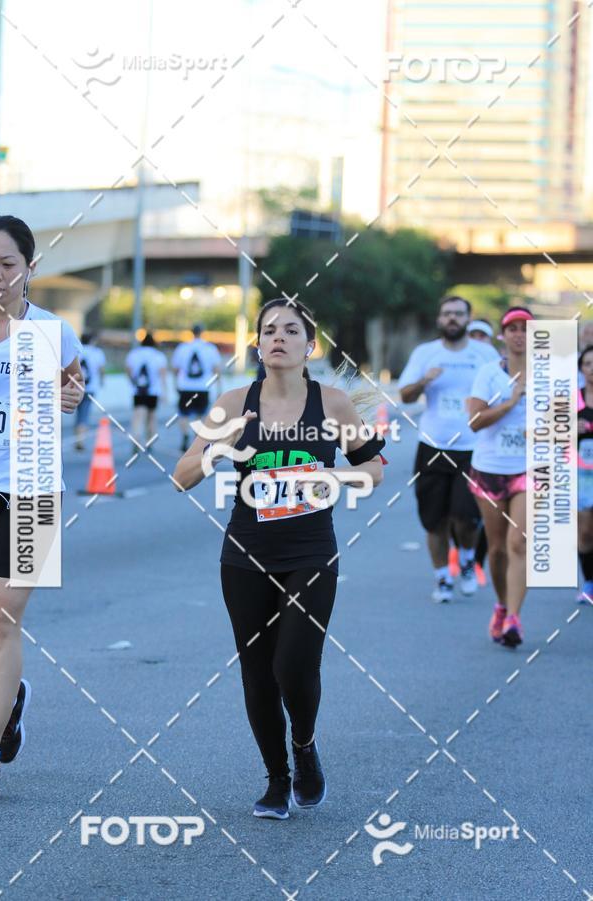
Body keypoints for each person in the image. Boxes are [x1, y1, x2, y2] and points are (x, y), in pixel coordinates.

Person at [173, 298, 385, 819]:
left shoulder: (332, 403)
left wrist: (332, 477)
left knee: (294, 665)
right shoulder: (232, 402)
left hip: (311, 552)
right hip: (245, 554)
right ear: (258, 344)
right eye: (269, 330)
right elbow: (181, 476)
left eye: (291, 331)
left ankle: (305, 748)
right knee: (257, 672)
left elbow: (374, 470)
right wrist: (220, 448)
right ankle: (276, 779)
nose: (279, 338)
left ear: (309, 345)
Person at [0, 215, 83, 792]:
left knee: (2, 617)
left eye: (6, 265)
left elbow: (73, 392)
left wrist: (70, 397)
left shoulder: (53, 333)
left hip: (33, 485)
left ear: (30, 269)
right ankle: (9, 701)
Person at [398, 295, 498, 603]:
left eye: (458, 314)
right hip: (433, 446)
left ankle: (467, 558)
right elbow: (405, 396)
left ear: (468, 319)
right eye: (447, 314)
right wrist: (424, 382)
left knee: (465, 518)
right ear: (440, 319)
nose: (452, 318)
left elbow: (502, 390)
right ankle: (442, 578)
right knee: (434, 520)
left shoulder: (484, 354)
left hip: (472, 448)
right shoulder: (425, 353)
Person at [467, 306, 532, 647]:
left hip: (530, 469)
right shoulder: (488, 373)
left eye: (525, 328)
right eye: (513, 329)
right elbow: (474, 422)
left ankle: (514, 621)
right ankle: (503, 604)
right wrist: (510, 404)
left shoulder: (550, 374)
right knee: (496, 550)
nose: (519, 334)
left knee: (518, 543)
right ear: (503, 336)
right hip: (490, 468)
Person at [172, 324, 222, 452]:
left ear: (191, 332)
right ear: (202, 332)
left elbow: (175, 369)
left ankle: (185, 435)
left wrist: (175, 384)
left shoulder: (182, 348)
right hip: (203, 388)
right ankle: (196, 439)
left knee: (183, 414)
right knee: (200, 415)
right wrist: (218, 388)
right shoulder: (210, 348)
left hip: (186, 387)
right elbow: (216, 370)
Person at [125, 332, 168, 451]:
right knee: (151, 416)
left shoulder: (134, 354)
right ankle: (150, 442)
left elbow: (129, 370)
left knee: (138, 415)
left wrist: (133, 382)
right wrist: (165, 393)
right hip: (154, 391)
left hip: (138, 390)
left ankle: (136, 438)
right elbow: (163, 375)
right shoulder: (159, 356)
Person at [576, 345, 593, 605]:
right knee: (586, 533)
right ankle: (589, 582)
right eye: (588, 363)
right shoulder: (572, 399)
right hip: (581, 475)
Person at [74, 333, 106, 451]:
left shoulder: (77, 350)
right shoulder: (97, 353)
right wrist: (102, 381)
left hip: (75, 387)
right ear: (92, 340)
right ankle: (80, 441)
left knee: (77, 414)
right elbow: (101, 369)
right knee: (84, 414)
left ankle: (78, 438)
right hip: (90, 388)